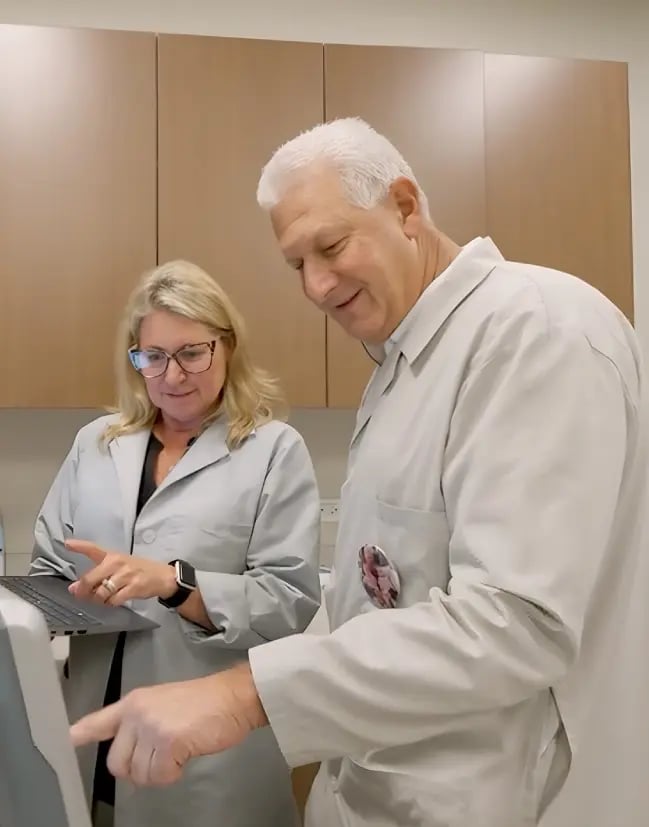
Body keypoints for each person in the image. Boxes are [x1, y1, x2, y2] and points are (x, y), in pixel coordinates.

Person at [69, 119, 649, 826]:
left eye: (332, 245)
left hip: (491, 797)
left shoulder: (536, 329)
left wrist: (240, 693)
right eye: (296, 264)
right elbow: (365, 605)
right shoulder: (400, 368)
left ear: (404, 206)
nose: (315, 285)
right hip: (378, 788)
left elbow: (514, 621)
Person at [31, 259, 321, 827]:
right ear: (134, 358)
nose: (173, 375)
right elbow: (47, 564)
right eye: (153, 356)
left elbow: (288, 602)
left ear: (227, 346)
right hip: (96, 726)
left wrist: (174, 584)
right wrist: (58, 601)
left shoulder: (272, 451)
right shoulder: (96, 443)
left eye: (192, 353)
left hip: (209, 748)